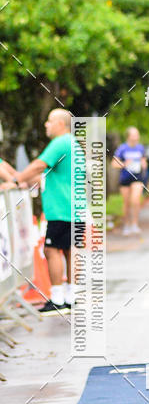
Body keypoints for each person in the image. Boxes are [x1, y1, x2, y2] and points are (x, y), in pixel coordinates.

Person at [16, 108, 78, 315]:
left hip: (61, 208)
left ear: (61, 124)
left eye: (49, 121)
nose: (46, 125)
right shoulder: (73, 144)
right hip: (73, 207)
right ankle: (71, 296)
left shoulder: (60, 143)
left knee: (51, 251)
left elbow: (39, 166)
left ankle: (58, 299)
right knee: (69, 252)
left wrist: (17, 179)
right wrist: (25, 179)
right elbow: (50, 175)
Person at [112, 127, 146, 236]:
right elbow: (114, 163)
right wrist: (124, 164)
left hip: (137, 177)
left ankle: (135, 224)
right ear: (128, 136)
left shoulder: (140, 148)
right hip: (125, 178)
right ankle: (126, 224)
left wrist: (143, 164)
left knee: (135, 200)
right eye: (134, 135)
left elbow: (144, 161)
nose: (136, 137)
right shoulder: (122, 148)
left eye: (137, 134)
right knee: (126, 203)